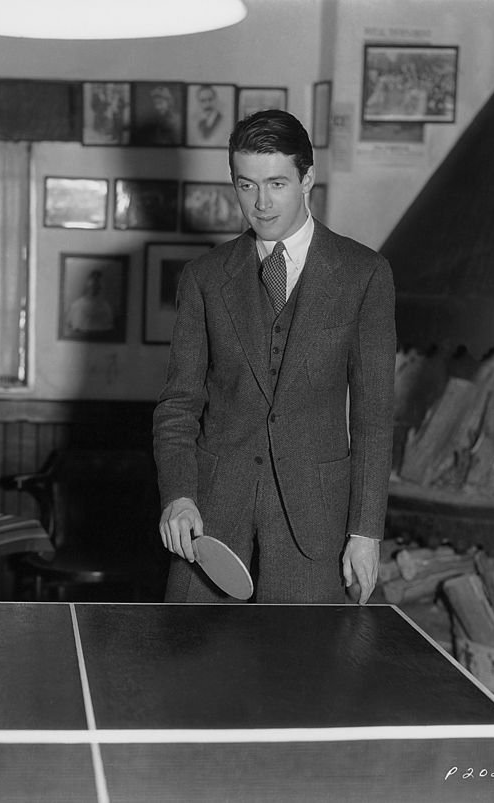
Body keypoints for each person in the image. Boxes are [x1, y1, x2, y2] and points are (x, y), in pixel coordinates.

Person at [153, 109, 396, 605]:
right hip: (212, 523)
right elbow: (178, 406)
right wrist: (179, 495)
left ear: (308, 179)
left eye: (277, 183)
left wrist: (366, 532)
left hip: (316, 523)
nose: (261, 204)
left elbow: (373, 417)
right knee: (188, 671)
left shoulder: (363, 274)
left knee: (301, 674)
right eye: (246, 186)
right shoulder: (204, 278)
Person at [65, 269, 115, 336]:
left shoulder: (106, 307)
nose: (94, 286)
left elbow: (108, 331)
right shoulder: (76, 305)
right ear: (87, 284)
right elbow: (69, 328)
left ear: (100, 286)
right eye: (93, 283)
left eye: (97, 283)